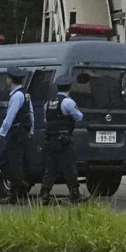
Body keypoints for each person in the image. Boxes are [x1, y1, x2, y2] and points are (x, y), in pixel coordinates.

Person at [0, 72, 38, 202]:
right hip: (22, 131)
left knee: (10, 162)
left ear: (10, 80)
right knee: (6, 161)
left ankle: (14, 193)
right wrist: (31, 129)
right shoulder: (25, 94)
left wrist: (0, 134)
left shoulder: (17, 96)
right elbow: (30, 112)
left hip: (16, 132)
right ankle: (19, 184)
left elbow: (10, 116)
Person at [38, 74, 87, 203]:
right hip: (64, 141)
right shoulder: (68, 102)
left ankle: (44, 195)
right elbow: (79, 117)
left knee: (50, 169)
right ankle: (75, 195)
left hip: (49, 140)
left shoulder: (48, 104)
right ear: (69, 88)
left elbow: (45, 120)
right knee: (69, 168)